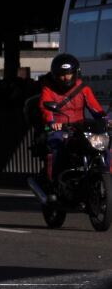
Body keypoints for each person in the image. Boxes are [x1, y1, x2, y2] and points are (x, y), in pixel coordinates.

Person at [39, 53, 106, 189]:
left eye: (69, 74)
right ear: (55, 75)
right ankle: (54, 183)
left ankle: (107, 173)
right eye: (62, 75)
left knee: (103, 144)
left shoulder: (83, 89)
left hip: (79, 129)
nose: (65, 78)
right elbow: (45, 109)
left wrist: (106, 119)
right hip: (59, 129)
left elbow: (96, 109)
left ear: (75, 73)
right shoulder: (48, 89)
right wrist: (52, 123)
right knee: (57, 146)